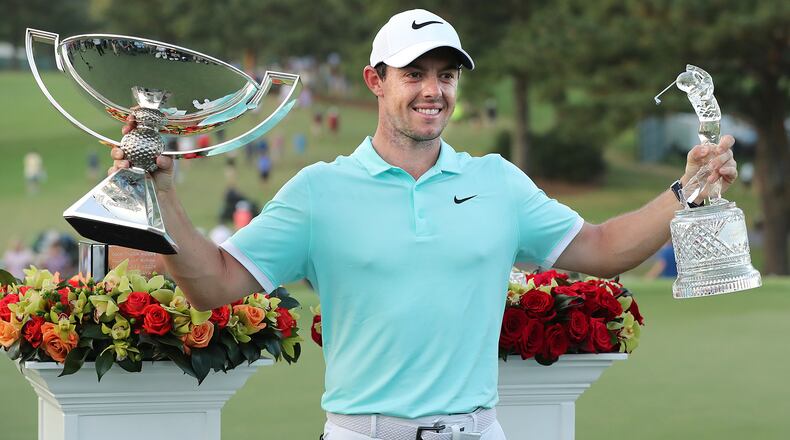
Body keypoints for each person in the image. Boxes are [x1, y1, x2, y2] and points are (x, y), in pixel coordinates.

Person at [109, 9, 738, 440]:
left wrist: (685, 190)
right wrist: (160, 188)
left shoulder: (497, 182)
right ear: (375, 81)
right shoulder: (319, 192)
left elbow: (602, 248)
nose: (432, 90)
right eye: (414, 73)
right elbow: (214, 285)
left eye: (445, 74)